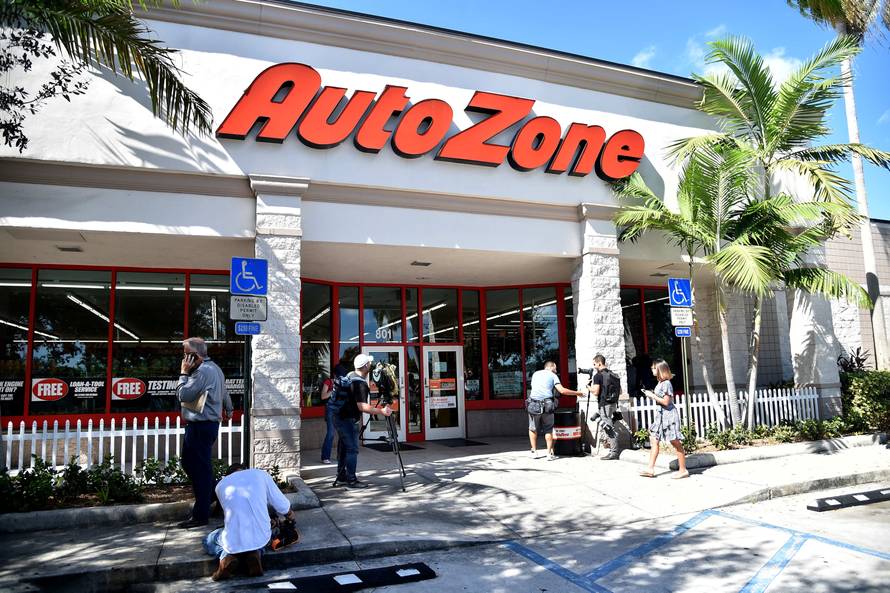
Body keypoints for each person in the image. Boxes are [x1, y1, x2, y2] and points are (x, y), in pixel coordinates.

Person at [175, 337, 234, 528]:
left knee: (200, 470)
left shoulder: (201, 372)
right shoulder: (215, 368)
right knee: (190, 464)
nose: (184, 358)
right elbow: (224, 391)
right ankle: (214, 495)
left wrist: (184, 373)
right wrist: (229, 408)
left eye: (186, 354)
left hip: (200, 426)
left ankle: (200, 515)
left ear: (194, 355)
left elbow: (183, 395)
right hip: (205, 425)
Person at [202, 464, 294, 581]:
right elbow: (282, 505)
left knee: (208, 540)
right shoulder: (260, 474)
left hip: (232, 540)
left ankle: (226, 558)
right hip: (260, 536)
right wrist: (290, 515)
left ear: (228, 475)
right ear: (245, 470)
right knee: (262, 537)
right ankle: (255, 554)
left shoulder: (220, 486)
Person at [332, 353, 392, 488]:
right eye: (369, 364)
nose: (370, 365)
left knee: (344, 448)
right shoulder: (360, 384)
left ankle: (341, 477)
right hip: (348, 420)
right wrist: (381, 411)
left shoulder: (350, 375)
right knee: (352, 450)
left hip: (338, 417)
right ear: (365, 366)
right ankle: (351, 480)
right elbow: (362, 406)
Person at [639, 359, 689, 479]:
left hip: (669, 416)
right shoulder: (660, 383)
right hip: (660, 416)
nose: (651, 369)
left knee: (675, 442)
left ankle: (683, 470)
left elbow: (666, 402)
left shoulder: (666, 383)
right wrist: (651, 394)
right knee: (654, 439)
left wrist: (652, 396)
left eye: (653, 368)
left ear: (660, 369)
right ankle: (650, 468)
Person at [527, 361, 583, 460]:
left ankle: (534, 452)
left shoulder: (535, 374)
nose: (556, 371)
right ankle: (549, 454)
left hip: (534, 404)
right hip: (547, 405)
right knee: (548, 429)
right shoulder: (553, 375)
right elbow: (562, 390)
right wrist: (578, 393)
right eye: (555, 368)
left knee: (533, 428)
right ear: (550, 367)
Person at [586, 354, 623, 460]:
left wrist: (588, 387)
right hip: (613, 404)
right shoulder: (613, 375)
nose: (594, 366)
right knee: (600, 419)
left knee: (608, 428)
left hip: (604, 405)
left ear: (599, 363)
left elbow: (595, 392)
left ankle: (614, 452)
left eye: (594, 364)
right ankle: (612, 447)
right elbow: (620, 391)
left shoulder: (597, 376)